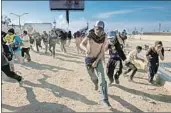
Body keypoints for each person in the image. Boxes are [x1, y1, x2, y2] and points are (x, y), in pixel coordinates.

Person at [80, 21, 111, 107]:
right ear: (94, 28)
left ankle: (105, 99)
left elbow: (102, 52)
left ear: (103, 29)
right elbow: (81, 44)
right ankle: (96, 83)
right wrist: (85, 49)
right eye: (97, 29)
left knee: (102, 79)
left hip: (98, 59)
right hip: (88, 59)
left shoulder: (104, 37)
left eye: (101, 29)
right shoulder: (90, 35)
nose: (99, 31)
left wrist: (96, 61)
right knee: (93, 77)